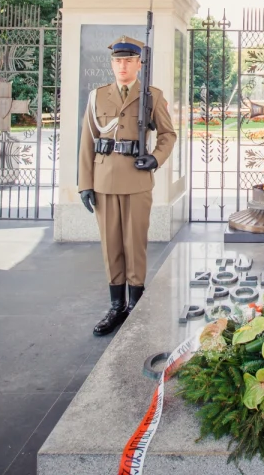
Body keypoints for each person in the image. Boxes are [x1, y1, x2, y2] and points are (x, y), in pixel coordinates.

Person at [78, 35, 176, 336]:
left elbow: (167, 135)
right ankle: (116, 306)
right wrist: (85, 183)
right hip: (104, 179)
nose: (122, 65)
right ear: (112, 64)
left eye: (128, 60)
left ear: (138, 64)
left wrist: (156, 159)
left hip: (136, 180)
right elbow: (87, 141)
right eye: (118, 60)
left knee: (135, 244)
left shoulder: (153, 96)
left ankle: (135, 303)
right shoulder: (98, 96)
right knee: (111, 245)